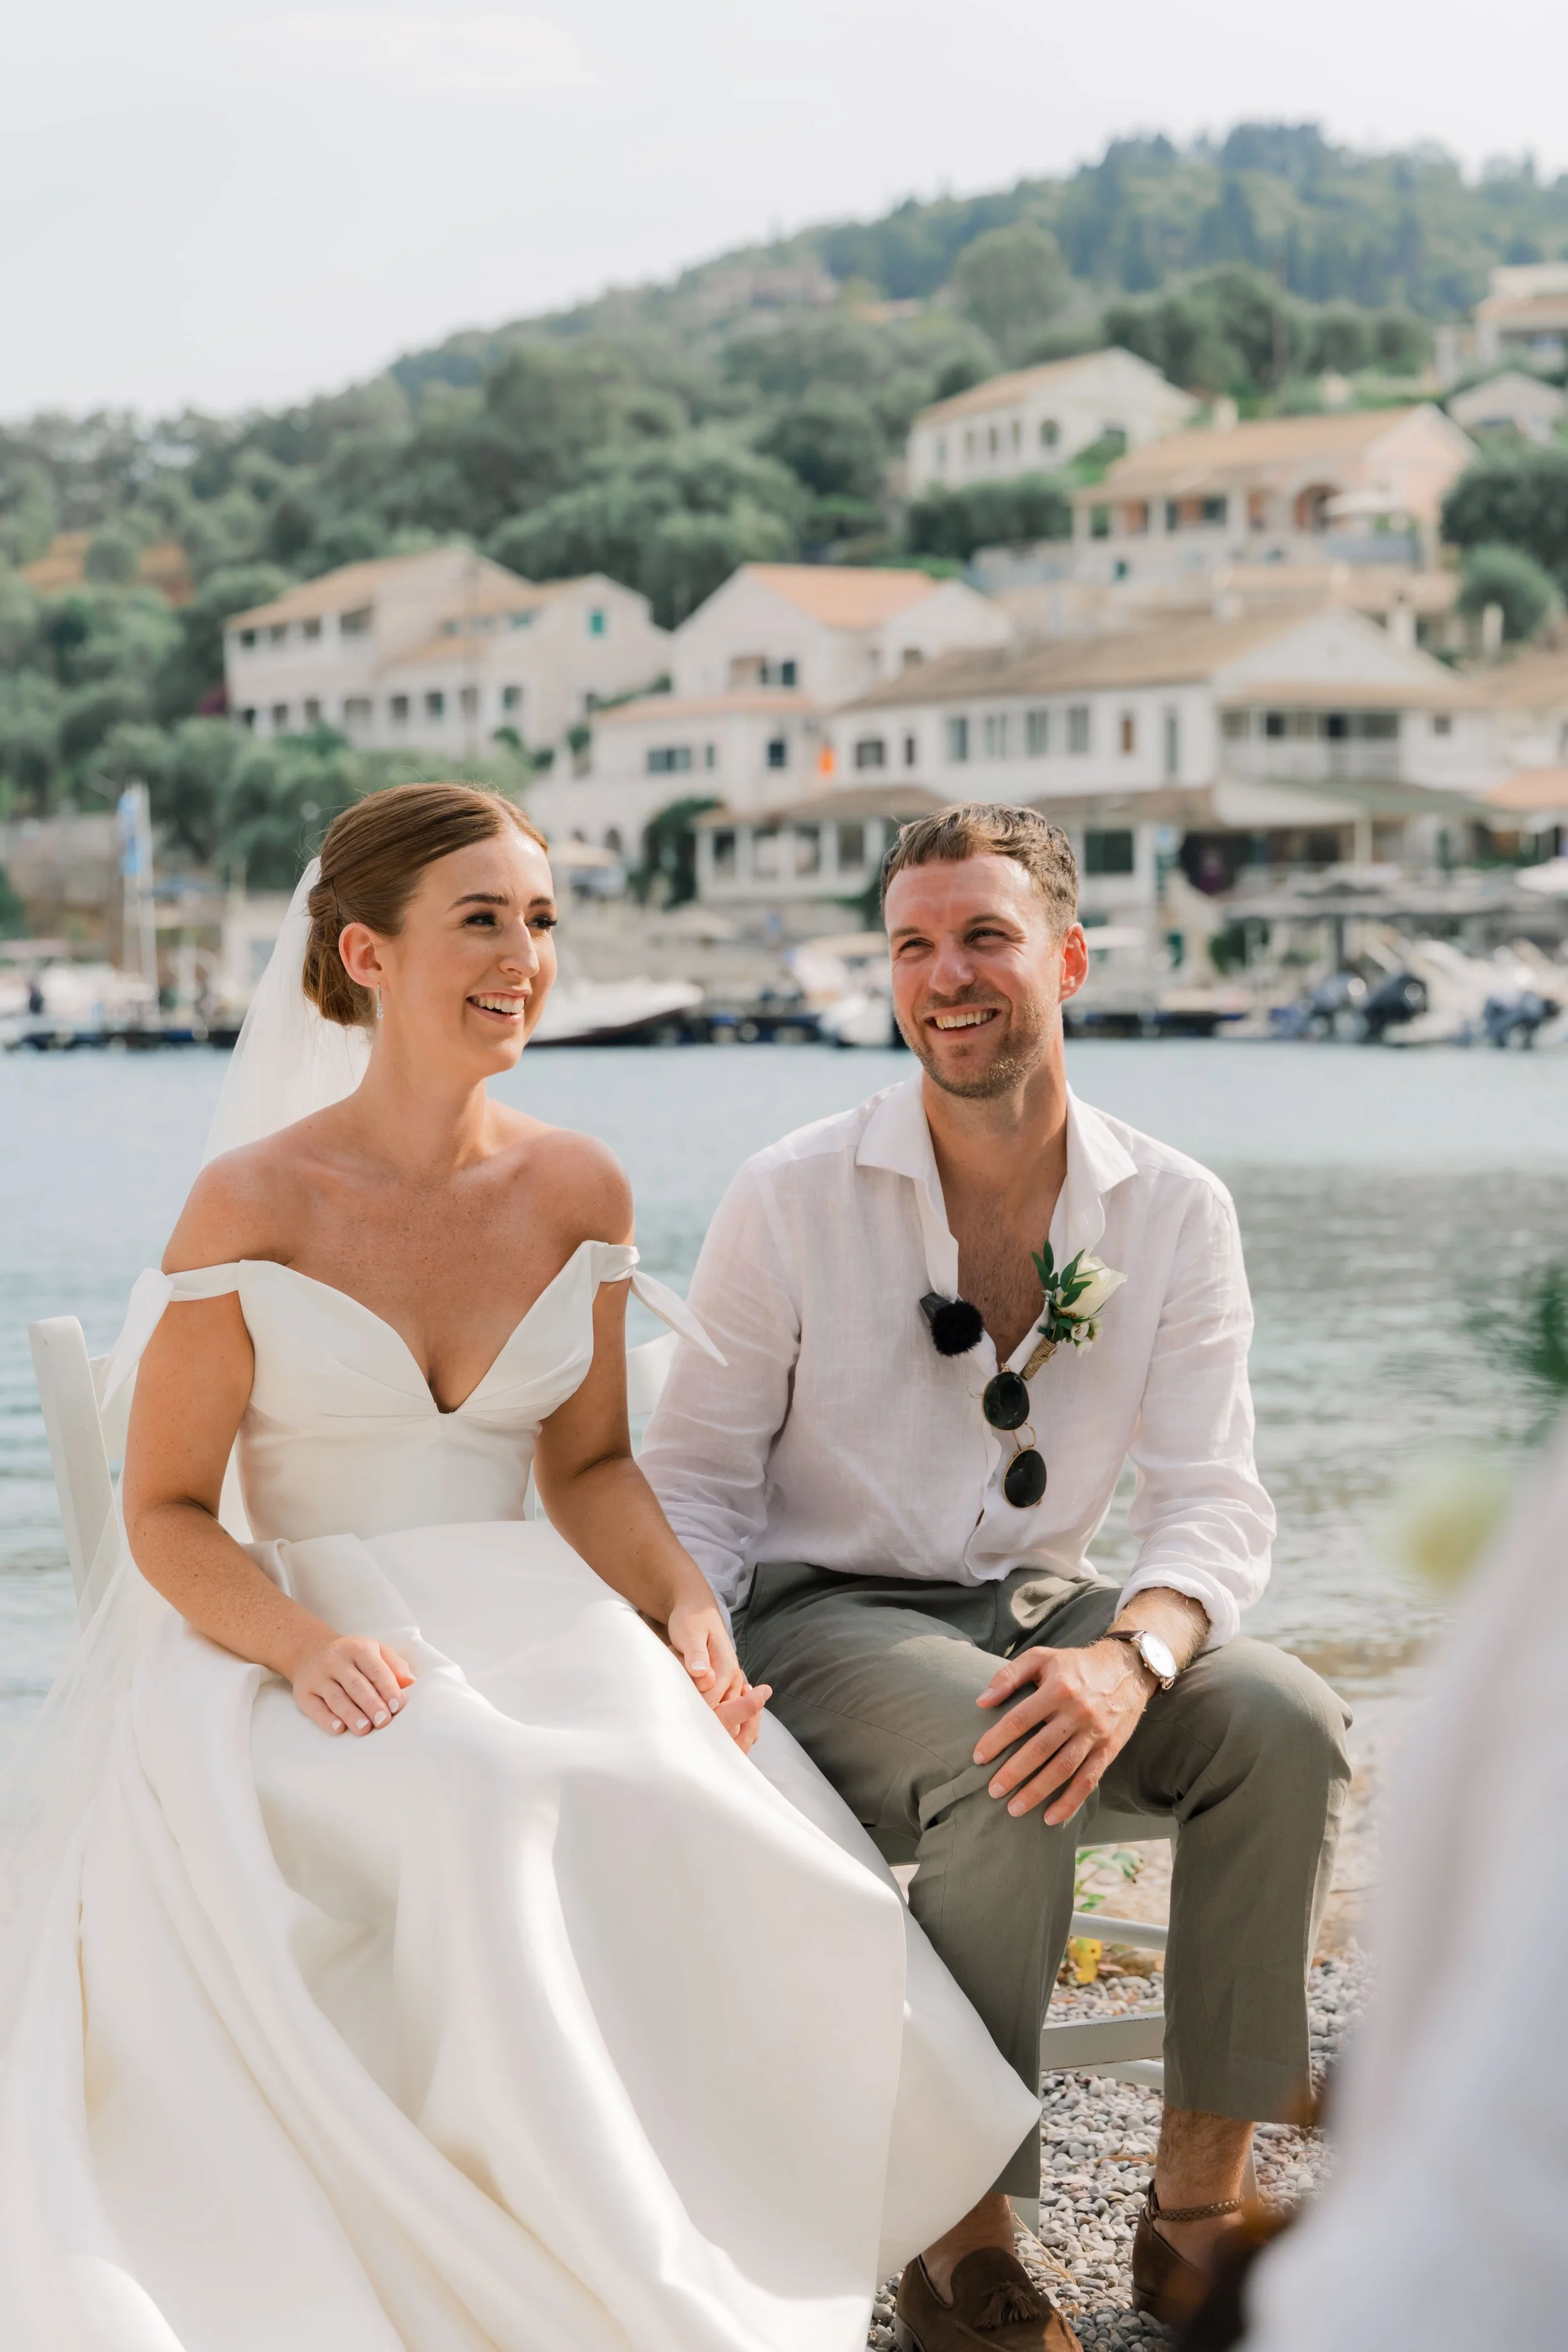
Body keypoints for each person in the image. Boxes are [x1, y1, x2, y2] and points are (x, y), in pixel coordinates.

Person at [0, 783, 1038, 2352]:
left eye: (542, 920)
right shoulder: (255, 1201)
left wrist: (688, 1607)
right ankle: (568, 2268)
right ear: (366, 950)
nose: (524, 957)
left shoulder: (578, 1187)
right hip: (303, 1636)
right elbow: (164, 1514)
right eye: (481, 919)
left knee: (709, 1789)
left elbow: (592, 1466)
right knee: (483, 1796)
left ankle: (873, 2236)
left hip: (533, 1602)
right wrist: (294, 1646)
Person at [640, 802, 1352, 2352]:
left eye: (982, 936)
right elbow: (690, 1473)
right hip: (824, 1618)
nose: (943, 976)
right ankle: (961, 2242)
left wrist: (1135, 1658)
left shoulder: (1173, 1209)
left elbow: (1213, 1508)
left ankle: (1190, 2218)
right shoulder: (792, 1191)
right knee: (1007, 1744)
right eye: (911, 944)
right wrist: (687, 1653)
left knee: (1284, 1723)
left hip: (1050, 1609)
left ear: (1068, 959)